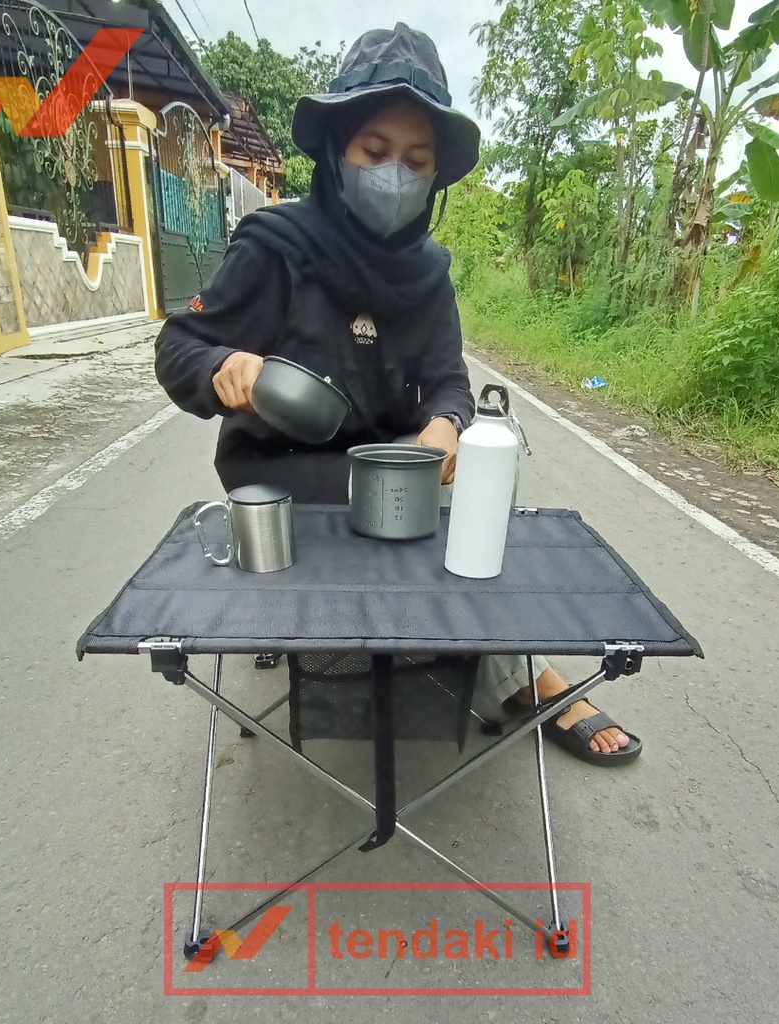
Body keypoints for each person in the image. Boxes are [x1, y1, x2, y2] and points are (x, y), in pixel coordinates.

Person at [154, 23, 640, 765]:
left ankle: (519, 674)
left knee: (475, 491)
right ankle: (502, 670)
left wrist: (447, 422)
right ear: (336, 153)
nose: (394, 175)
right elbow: (179, 344)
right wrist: (224, 365)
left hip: (392, 466)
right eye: (374, 151)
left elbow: (449, 379)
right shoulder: (272, 246)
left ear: (435, 177)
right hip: (284, 475)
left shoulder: (430, 274)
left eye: (416, 161)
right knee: (400, 521)